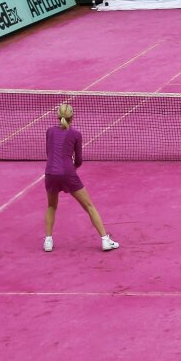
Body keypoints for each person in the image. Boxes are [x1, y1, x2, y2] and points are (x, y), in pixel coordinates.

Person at [44, 103, 119, 253]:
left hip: (50, 174)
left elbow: (49, 153)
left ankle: (48, 241)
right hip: (68, 174)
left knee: (51, 206)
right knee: (89, 206)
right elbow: (78, 160)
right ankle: (105, 240)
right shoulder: (76, 134)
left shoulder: (49, 132)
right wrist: (71, 170)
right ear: (72, 117)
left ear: (58, 116)